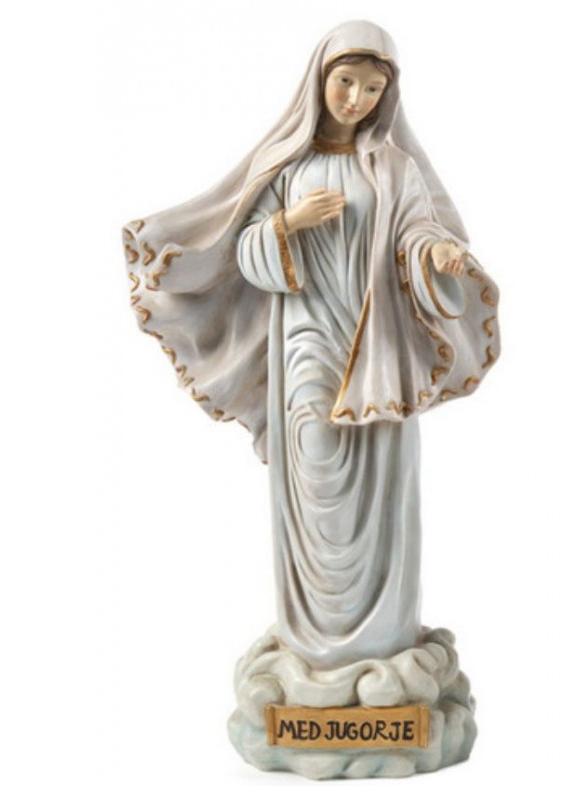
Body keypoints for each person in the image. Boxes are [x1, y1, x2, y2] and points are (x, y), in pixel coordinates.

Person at [122, 20, 499, 670]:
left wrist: (434, 254)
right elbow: (245, 251)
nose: (356, 99)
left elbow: (416, 232)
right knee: (314, 462)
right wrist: (286, 224)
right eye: (345, 82)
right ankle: (315, 635)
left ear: (387, 96)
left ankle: (383, 638)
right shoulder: (288, 167)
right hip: (306, 340)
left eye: (372, 88)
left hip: (379, 349)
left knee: (382, 478)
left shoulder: (394, 169)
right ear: (319, 80)